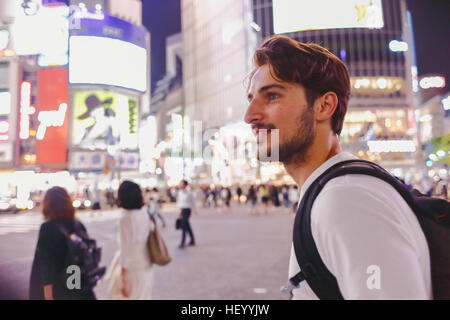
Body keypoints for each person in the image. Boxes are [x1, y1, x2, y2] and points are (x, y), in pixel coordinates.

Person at [244, 35, 431, 299]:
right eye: (251, 99)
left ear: (324, 106)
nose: (249, 116)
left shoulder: (348, 199)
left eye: (272, 96)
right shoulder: (335, 193)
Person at [29, 187, 96, 300]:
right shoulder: (78, 225)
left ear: (47, 205)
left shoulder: (47, 228)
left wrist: (48, 296)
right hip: (77, 283)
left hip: (58, 287)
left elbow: (46, 264)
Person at [105, 181, 154, 300]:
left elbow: (125, 249)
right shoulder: (144, 212)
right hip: (146, 262)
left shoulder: (125, 218)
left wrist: (123, 276)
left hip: (132, 266)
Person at [177, 180, 196, 248]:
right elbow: (179, 202)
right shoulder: (180, 192)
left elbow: (193, 201)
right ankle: (192, 240)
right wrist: (179, 211)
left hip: (187, 210)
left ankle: (183, 242)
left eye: (181, 183)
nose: (180, 185)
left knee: (184, 225)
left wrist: (194, 209)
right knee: (187, 225)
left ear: (185, 185)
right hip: (182, 210)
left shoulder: (189, 192)